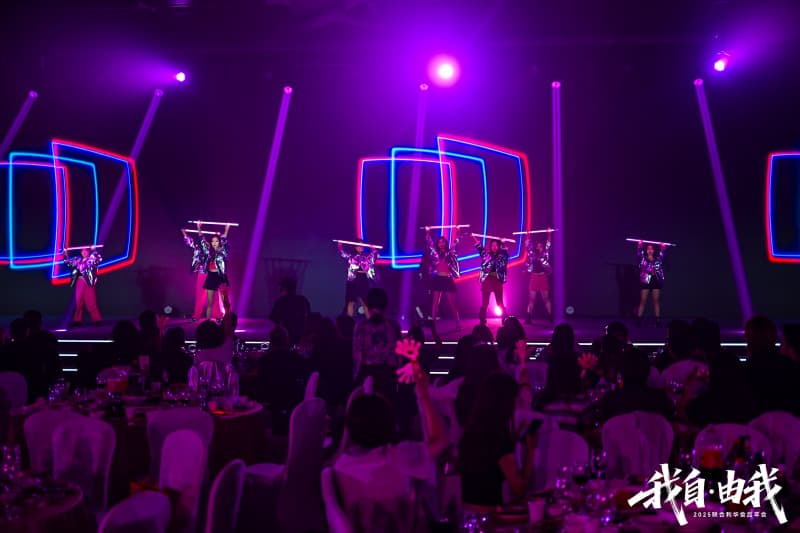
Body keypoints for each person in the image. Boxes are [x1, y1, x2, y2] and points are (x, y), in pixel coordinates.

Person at [333, 338, 446, 532]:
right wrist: (423, 395)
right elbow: (439, 442)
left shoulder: (338, 467)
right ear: (390, 424)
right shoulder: (402, 456)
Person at [458, 371, 535, 510]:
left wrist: (512, 442)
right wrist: (530, 451)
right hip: (490, 515)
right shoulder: (498, 439)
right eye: (515, 399)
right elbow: (520, 489)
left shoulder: (471, 432)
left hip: (466, 512)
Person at [352, 288, 402, 400]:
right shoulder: (394, 326)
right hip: (388, 373)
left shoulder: (361, 327)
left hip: (367, 372)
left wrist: (355, 379)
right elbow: (399, 354)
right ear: (386, 305)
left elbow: (357, 355)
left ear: (368, 305)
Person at [182, 223, 222, 321]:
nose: (207, 244)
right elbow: (189, 242)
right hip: (202, 274)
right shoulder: (198, 249)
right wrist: (184, 233)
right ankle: (196, 316)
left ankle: (218, 316)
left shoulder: (214, 250)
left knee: (214, 297)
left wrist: (199, 228)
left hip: (212, 275)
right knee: (200, 296)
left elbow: (202, 240)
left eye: (208, 243)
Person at [424, 227, 462, 330]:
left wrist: (458, 232)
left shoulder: (450, 253)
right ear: (438, 244)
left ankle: (458, 324)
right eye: (439, 242)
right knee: (435, 303)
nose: (441, 244)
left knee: (453, 304)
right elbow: (429, 244)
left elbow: (456, 244)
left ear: (445, 243)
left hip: (448, 279)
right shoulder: (435, 254)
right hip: (438, 279)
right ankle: (433, 324)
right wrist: (428, 232)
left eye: (443, 242)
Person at [472, 235, 509, 325]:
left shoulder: (502, 256)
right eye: (492, 245)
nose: (494, 247)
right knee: (485, 303)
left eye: (496, 245)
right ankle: (482, 320)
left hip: (497, 280)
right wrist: (474, 237)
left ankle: (505, 319)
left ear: (499, 246)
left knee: (500, 302)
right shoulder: (487, 255)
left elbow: (505, 255)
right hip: (487, 280)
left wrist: (503, 243)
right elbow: (480, 249)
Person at [63, 246, 103, 327]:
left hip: (88, 282)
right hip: (79, 282)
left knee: (91, 302)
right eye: (82, 251)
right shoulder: (78, 260)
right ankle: (77, 320)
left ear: (88, 252)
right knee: (78, 302)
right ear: (81, 252)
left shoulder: (91, 259)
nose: (84, 252)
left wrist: (94, 250)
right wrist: (65, 254)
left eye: (86, 251)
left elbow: (99, 259)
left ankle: (97, 320)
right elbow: (68, 263)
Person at [337, 241, 378, 317]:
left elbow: (373, 257)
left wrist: (373, 249)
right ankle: (349, 321)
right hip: (353, 280)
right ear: (355, 247)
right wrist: (340, 246)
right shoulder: (351, 256)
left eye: (362, 245)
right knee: (351, 301)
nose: (361, 247)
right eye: (359, 245)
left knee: (365, 302)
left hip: (363, 279)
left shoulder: (366, 257)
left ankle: (370, 321)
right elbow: (343, 254)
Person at [199, 225, 231, 320]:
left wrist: (226, 229)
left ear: (219, 242)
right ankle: (208, 322)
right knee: (210, 302)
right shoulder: (208, 252)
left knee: (225, 302)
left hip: (220, 277)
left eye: (216, 241)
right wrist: (198, 227)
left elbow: (224, 239)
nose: (214, 243)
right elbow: (202, 241)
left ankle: (227, 321)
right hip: (211, 277)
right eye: (212, 241)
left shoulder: (223, 251)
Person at [269, 278, 311, 345]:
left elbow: (273, 319)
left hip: (285, 338)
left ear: (284, 289)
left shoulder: (281, 301)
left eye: (280, 289)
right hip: (301, 338)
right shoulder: (303, 300)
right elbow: (308, 318)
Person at [636, 241, 667, 327]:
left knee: (656, 301)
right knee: (643, 301)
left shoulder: (658, 259)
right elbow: (639, 254)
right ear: (646, 250)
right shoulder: (643, 259)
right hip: (645, 280)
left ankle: (658, 321)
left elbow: (663, 254)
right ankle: (639, 321)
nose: (650, 250)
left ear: (653, 250)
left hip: (655, 280)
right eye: (648, 248)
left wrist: (663, 247)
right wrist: (640, 245)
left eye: (651, 248)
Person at [524, 232, 553, 324]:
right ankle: (529, 317)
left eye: (541, 246)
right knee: (531, 299)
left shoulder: (545, 254)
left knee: (546, 298)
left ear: (542, 247)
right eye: (538, 246)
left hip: (543, 277)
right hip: (534, 278)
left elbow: (548, 244)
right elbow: (528, 245)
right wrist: (528, 235)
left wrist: (549, 234)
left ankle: (550, 316)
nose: (539, 247)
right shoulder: (532, 254)